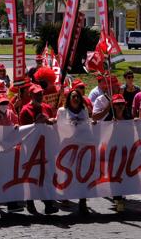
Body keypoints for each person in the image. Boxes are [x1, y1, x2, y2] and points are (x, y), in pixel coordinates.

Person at [19, 84, 57, 215]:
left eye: (41, 94)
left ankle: (48, 203)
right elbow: (23, 130)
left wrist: (51, 121)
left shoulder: (47, 108)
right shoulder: (25, 110)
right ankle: (30, 202)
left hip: (46, 147)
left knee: (46, 175)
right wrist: (36, 123)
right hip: (31, 149)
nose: (40, 96)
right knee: (33, 176)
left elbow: (53, 125)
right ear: (31, 95)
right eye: (36, 94)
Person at [54, 87, 91, 215]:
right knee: (66, 173)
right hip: (67, 148)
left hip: (81, 148)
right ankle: (64, 196)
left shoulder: (84, 111)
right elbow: (58, 128)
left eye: (77, 97)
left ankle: (83, 201)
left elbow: (87, 127)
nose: (75, 98)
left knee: (82, 174)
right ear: (68, 99)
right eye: (73, 96)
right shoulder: (62, 111)